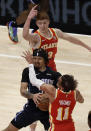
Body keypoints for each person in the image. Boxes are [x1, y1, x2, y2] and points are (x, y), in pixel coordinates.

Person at [2, 48, 62, 131]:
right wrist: (32, 96)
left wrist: (48, 98)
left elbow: (62, 90)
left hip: (48, 111)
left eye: (39, 59)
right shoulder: (27, 71)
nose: (36, 61)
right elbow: (23, 91)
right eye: (34, 58)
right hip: (31, 109)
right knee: (10, 129)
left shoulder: (54, 74)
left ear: (45, 60)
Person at [23, 5, 91, 71]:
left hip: (51, 68)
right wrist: (29, 18)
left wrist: (87, 47)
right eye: (40, 23)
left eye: (45, 23)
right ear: (37, 24)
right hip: (38, 69)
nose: (43, 25)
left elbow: (71, 39)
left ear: (48, 22)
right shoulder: (36, 36)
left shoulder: (55, 32)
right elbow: (25, 36)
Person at [27, 59, 84, 131]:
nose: (59, 78)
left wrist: (31, 64)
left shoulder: (53, 92)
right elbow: (82, 101)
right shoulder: (75, 93)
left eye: (60, 80)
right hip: (70, 127)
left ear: (61, 87)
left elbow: (33, 80)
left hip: (56, 128)